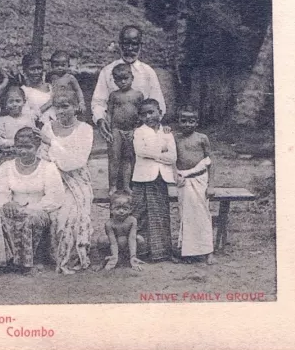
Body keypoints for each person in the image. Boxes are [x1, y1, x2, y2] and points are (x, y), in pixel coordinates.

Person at [0, 127, 64, 275]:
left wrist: (32, 209)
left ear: (37, 147)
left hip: (39, 209)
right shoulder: (6, 167)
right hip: (13, 207)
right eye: (19, 147)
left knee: (30, 220)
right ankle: (5, 261)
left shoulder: (48, 167)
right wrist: (6, 203)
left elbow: (55, 197)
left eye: (28, 147)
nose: (23, 151)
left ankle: (27, 263)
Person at [39, 92, 94, 274]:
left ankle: (70, 258)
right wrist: (55, 160)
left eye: (66, 106)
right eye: (58, 107)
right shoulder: (47, 127)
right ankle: (49, 255)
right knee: (49, 210)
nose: (61, 111)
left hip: (77, 181)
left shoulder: (85, 129)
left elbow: (77, 161)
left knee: (69, 216)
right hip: (52, 180)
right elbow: (43, 156)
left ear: (76, 106)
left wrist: (52, 144)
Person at [92, 25, 167, 144]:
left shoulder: (148, 72)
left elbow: (159, 104)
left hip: (144, 132)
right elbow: (98, 102)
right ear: (119, 45)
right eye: (126, 44)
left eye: (135, 44)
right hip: (116, 133)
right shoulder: (107, 71)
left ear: (140, 45)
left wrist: (148, 126)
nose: (130, 48)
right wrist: (100, 120)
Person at [131, 99, 177, 262]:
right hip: (142, 178)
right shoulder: (139, 132)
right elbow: (140, 151)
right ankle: (140, 252)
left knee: (160, 214)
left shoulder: (167, 132)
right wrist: (161, 152)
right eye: (143, 114)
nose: (148, 117)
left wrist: (155, 153)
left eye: (151, 112)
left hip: (160, 178)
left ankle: (161, 252)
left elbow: (172, 157)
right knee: (141, 213)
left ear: (160, 112)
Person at [174, 105, 216, 264]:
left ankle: (208, 251)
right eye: (183, 121)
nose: (187, 124)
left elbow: (210, 162)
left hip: (200, 181)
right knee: (186, 216)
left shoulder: (202, 138)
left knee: (203, 216)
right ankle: (189, 252)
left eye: (191, 121)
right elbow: (171, 159)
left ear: (196, 122)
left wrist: (211, 185)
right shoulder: (175, 138)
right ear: (178, 121)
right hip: (184, 181)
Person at [107, 63, 144, 195]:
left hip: (131, 130)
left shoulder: (138, 95)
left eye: (125, 78)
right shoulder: (114, 95)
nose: (122, 82)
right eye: (118, 79)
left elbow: (142, 113)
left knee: (128, 158)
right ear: (114, 80)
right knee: (114, 158)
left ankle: (127, 185)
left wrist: (138, 129)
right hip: (116, 129)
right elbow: (109, 113)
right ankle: (112, 186)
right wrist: (108, 129)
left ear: (132, 77)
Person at [100, 191, 146, 271]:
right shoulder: (109, 224)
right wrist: (115, 256)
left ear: (130, 209)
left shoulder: (132, 221)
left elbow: (132, 238)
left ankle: (132, 258)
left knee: (140, 239)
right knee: (102, 240)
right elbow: (113, 242)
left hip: (127, 246)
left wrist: (133, 256)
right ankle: (108, 259)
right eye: (117, 208)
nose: (121, 211)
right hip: (114, 246)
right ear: (111, 209)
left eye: (125, 208)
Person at [0, 86, 40, 164]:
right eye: (11, 102)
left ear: (24, 102)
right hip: (9, 154)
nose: (14, 104)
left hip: (27, 153)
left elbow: (33, 138)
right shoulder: (2, 120)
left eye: (18, 101)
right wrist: (15, 143)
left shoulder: (29, 118)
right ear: (6, 104)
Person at [19, 52, 55, 125]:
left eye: (39, 68)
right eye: (32, 69)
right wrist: (49, 104)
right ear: (24, 71)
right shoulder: (24, 91)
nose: (36, 72)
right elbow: (25, 117)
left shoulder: (51, 87)